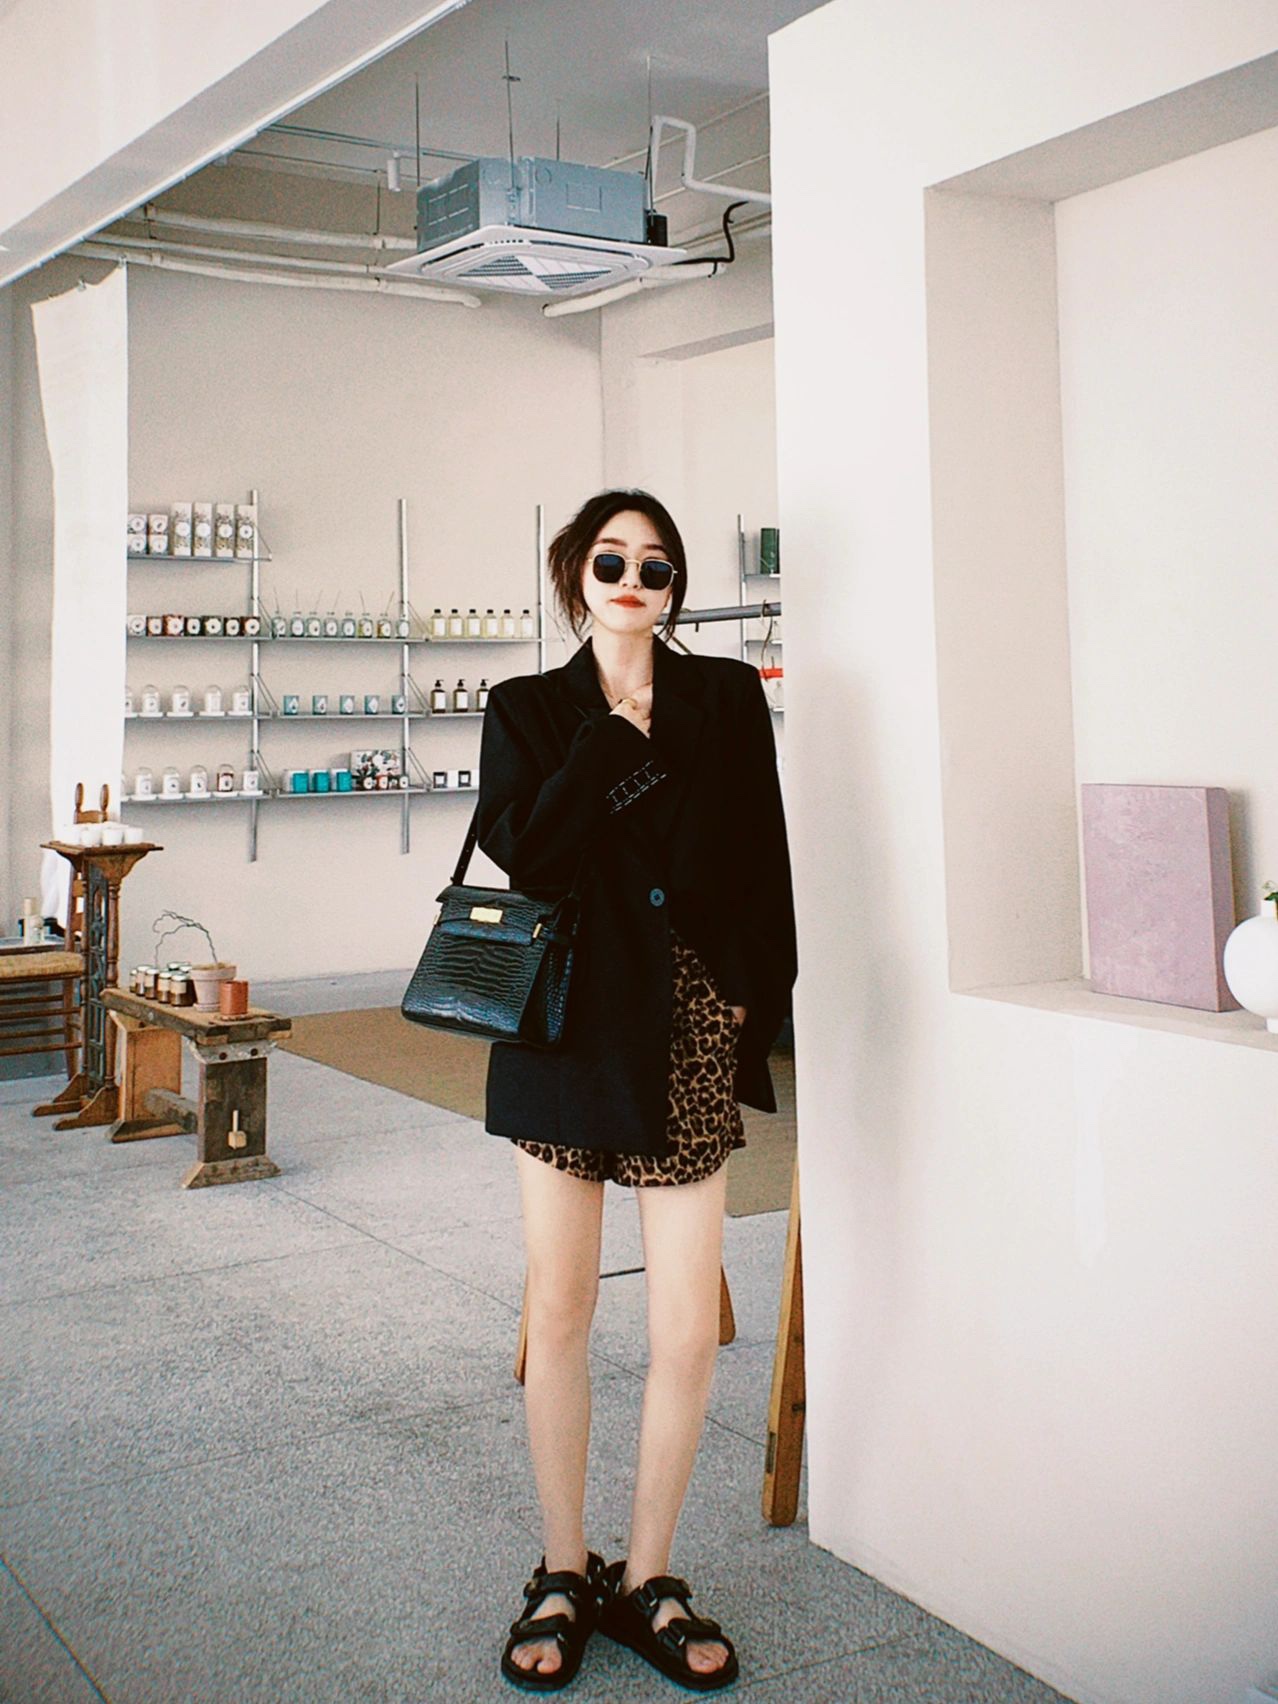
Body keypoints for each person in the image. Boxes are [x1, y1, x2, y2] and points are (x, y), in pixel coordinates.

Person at [475, 488, 797, 1693]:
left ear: (675, 586)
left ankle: (650, 1575)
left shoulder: (726, 696)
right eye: (610, 562)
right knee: (559, 1313)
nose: (632, 582)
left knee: (685, 1329)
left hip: (689, 1030)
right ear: (576, 576)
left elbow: (763, 857)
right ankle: (565, 1568)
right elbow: (529, 853)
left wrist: (751, 999)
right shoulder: (527, 708)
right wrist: (611, 737)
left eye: (655, 567)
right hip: (565, 1031)